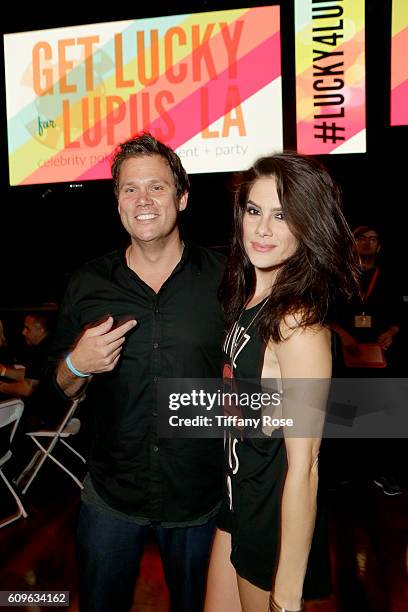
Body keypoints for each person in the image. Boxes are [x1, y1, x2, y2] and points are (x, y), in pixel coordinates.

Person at [47, 133, 225, 612]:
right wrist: (74, 365)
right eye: (129, 189)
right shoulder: (87, 283)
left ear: (182, 197)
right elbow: (59, 387)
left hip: (199, 498)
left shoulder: (227, 279)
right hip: (111, 494)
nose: (142, 200)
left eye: (157, 187)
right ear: (118, 202)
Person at [204, 153, 356, 612]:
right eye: (254, 211)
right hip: (235, 502)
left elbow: (306, 466)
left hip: (271, 520)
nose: (263, 229)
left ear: (308, 225)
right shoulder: (249, 299)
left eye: (282, 215)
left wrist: (285, 596)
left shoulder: (298, 323)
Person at [332, 224, 404, 496]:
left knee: (382, 414)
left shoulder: (390, 278)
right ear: (351, 244)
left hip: (380, 357)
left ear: (379, 246)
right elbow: (324, 315)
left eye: (373, 239)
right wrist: (343, 335)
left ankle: (383, 473)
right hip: (347, 357)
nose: (367, 243)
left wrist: (391, 332)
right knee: (346, 414)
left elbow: (399, 314)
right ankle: (344, 474)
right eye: (361, 238)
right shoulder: (339, 277)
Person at [0, 313, 51, 399]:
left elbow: (28, 389)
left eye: (27, 328)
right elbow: (30, 375)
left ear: (41, 330)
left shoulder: (42, 351)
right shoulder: (47, 345)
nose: (23, 332)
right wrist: (3, 371)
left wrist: (2, 387)